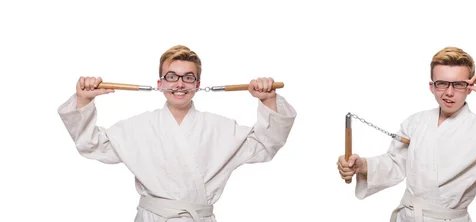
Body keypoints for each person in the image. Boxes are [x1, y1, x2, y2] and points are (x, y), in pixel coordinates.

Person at [57, 45, 297, 222]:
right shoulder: (137, 127)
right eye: (172, 76)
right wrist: (83, 99)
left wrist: (269, 99)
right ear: (160, 84)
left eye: (188, 77)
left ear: (198, 84)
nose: (180, 84)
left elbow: (266, 145)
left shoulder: (221, 128)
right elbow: (91, 144)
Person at [337, 46, 476, 222]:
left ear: (470, 87)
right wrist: (362, 165)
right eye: (442, 83)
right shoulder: (415, 122)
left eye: (458, 84)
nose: (449, 92)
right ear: (432, 86)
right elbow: (395, 163)